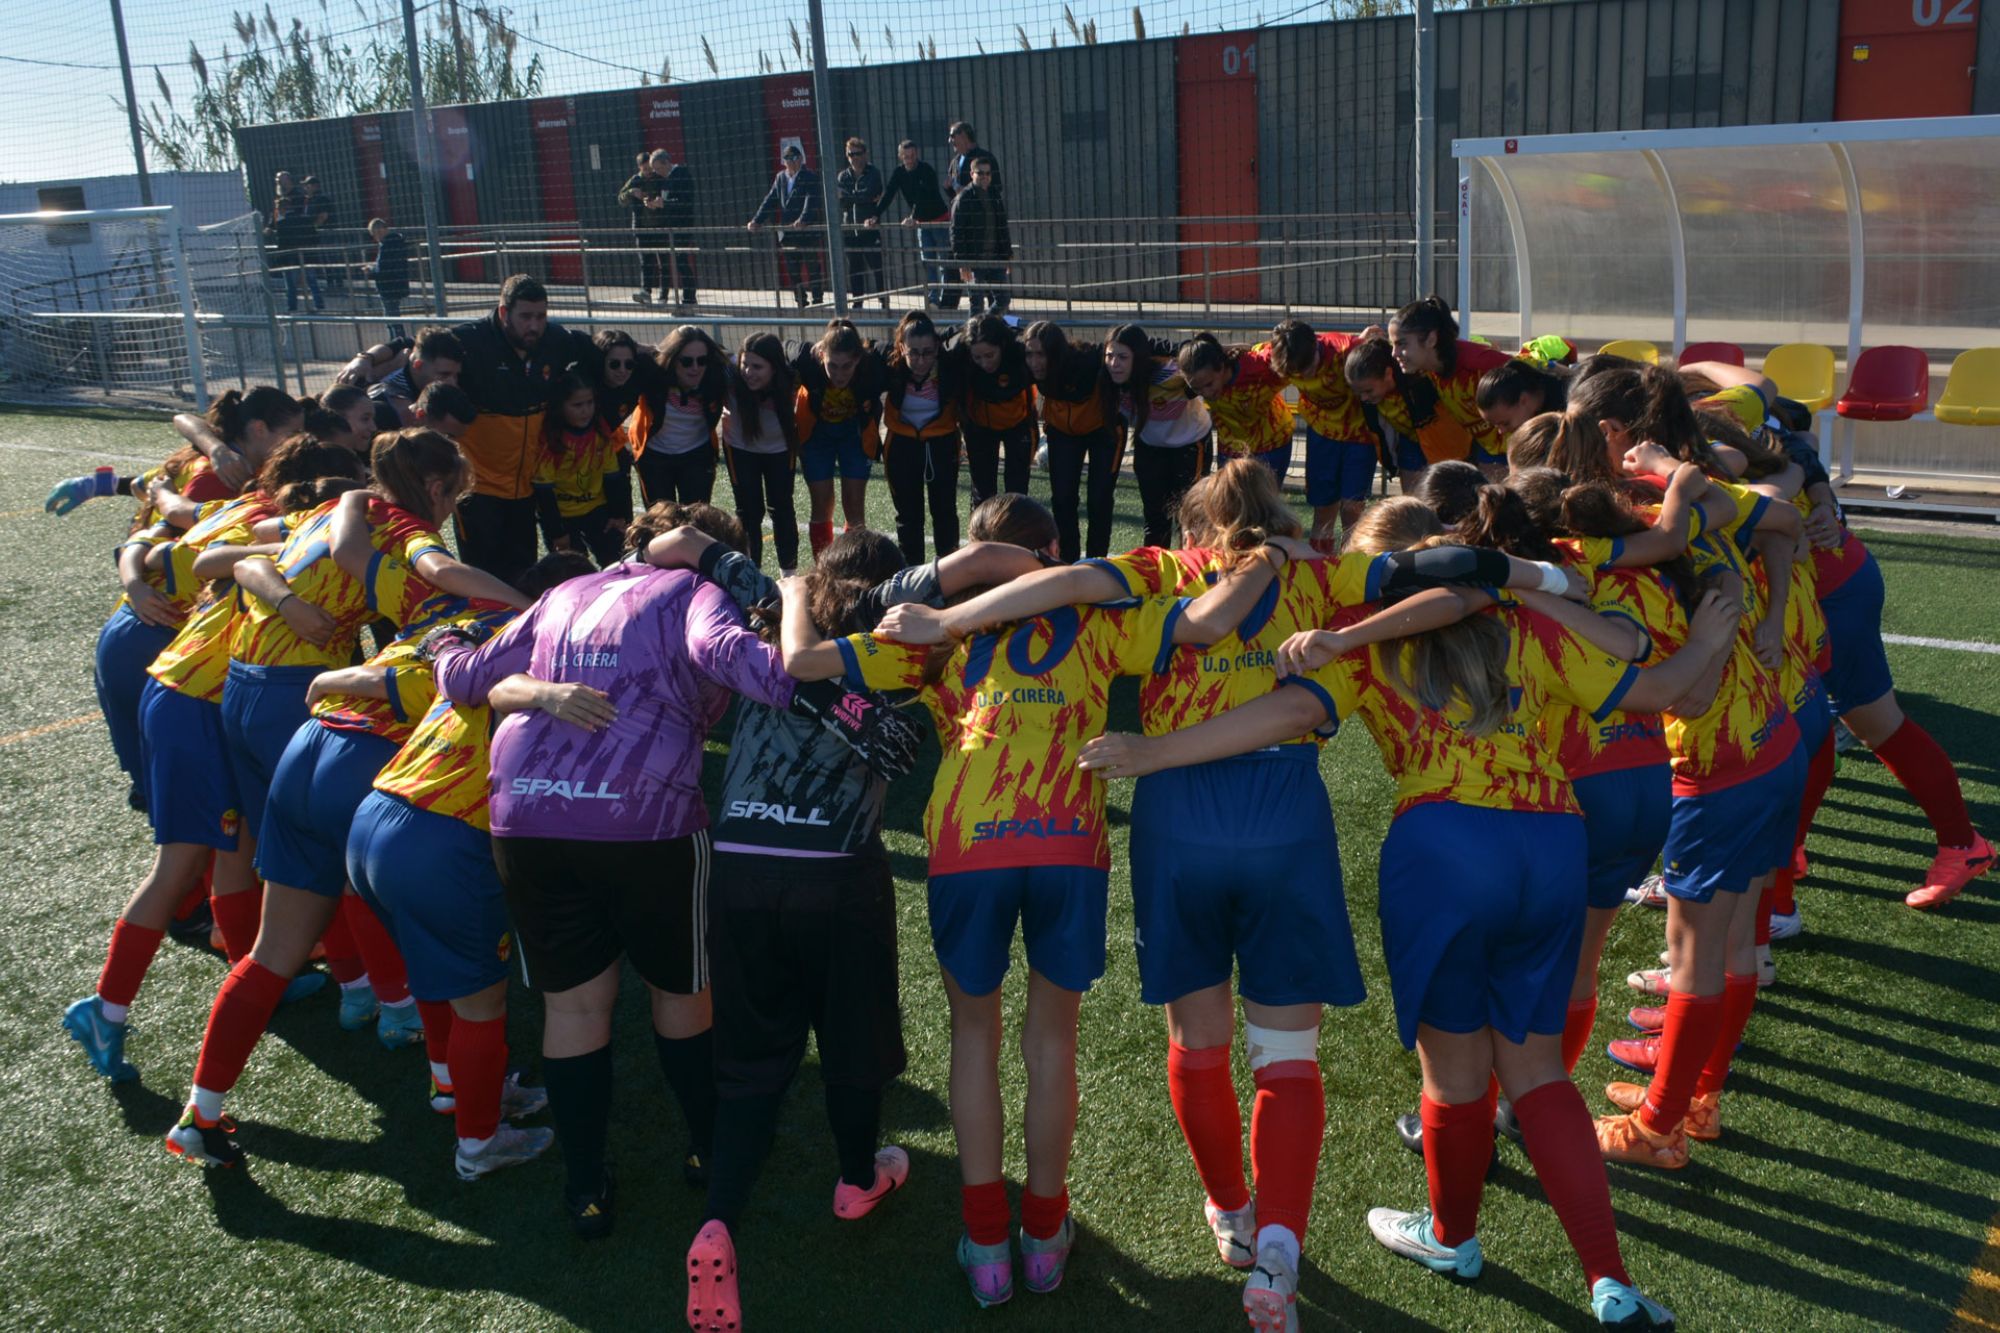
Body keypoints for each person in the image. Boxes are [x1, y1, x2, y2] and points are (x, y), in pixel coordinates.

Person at [1077, 497, 1724, 1332]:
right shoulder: (1528, 622)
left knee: (1453, 1077)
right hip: (1554, 844)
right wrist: (1708, 637)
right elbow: (1669, 688)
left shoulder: (1369, 635)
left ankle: (1452, 1237)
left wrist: (1154, 750)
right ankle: (1610, 1280)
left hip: (1444, 851)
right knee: (1538, 1074)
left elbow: (1290, 712)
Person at [784, 492, 1275, 1311]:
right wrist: (1266, 554)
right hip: (1066, 845)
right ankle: (1043, 1235)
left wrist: (797, 593)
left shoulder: (935, 628)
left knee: (973, 1035)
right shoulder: (1100, 621)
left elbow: (801, 664)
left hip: (967, 844)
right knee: (1052, 1040)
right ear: (1053, 552)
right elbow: (1206, 624)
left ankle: (986, 1242)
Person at [428, 500, 916, 1238]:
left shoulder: (566, 592)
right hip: (642, 820)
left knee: (574, 1008)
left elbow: (468, 680)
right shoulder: (697, 590)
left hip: (527, 815)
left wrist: (442, 640)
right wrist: (833, 684)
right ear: (715, 556)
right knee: (682, 993)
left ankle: (586, 1187)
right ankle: (707, 1149)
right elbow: (755, 664)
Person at [647, 522, 1017, 1333]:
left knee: (747, 1058)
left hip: (740, 857)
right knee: (852, 1040)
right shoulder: (889, 606)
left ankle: (717, 1221)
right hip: (836, 866)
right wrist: (1057, 578)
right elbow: (987, 559)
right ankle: (856, 1178)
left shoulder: (765, 601)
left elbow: (679, 538)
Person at [159, 430, 532, 1168]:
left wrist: (356, 505)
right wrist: (529, 606)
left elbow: (351, 552)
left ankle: (199, 1112)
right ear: (436, 489)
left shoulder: (383, 558)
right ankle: (462, 1100)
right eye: (455, 491)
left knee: (272, 950)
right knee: (425, 929)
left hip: (307, 745)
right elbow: (439, 567)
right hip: (365, 764)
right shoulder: (479, 606)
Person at [64, 438, 364, 1085]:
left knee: (239, 841)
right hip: (195, 697)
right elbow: (199, 554)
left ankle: (256, 969)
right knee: (179, 863)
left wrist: (137, 567)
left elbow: (167, 533)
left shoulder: (240, 512)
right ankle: (106, 1008)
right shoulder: (293, 536)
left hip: (189, 689)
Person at [348, 552, 596, 1178]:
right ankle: (480, 1143)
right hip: (443, 840)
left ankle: (455, 1089)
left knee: (438, 978)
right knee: (481, 1001)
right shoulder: (558, 664)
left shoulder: (488, 642)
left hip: (375, 817)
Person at [450, 274, 599, 581]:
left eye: (541, 316)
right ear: (504, 312)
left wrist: (644, 351)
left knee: (523, 578)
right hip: (478, 492)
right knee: (481, 581)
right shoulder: (469, 341)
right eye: (526, 316)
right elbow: (418, 352)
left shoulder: (555, 341)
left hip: (524, 491)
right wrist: (369, 358)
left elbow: (599, 348)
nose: (534, 325)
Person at [1267, 318, 1382, 548]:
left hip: (1358, 436)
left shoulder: (1345, 350)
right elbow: (1246, 354)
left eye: (1309, 369)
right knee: (1323, 509)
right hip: (1322, 435)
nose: (1306, 377)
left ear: (1316, 347)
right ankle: (1321, 567)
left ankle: (1351, 565)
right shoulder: (1280, 355)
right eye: (1297, 375)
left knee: (1352, 509)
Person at [1105, 324, 1209, 547]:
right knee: (1155, 519)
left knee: (1190, 519)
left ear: (1138, 358)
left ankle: (1189, 574)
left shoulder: (1171, 372)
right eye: (1110, 356)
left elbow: (1203, 356)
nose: (1115, 364)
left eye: (1123, 357)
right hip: (1149, 447)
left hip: (1190, 444)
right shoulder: (1105, 375)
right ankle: (1154, 574)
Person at [1025, 320, 1121, 562]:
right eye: (1030, 354)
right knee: (1063, 499)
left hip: (1102, 431)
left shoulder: (1088, 360)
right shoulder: (1024, 364)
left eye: (1041, 355)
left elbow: (1131, 346)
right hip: (1062, 432)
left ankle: (1096, 563)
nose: (1034, 362)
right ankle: (1067, 562)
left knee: (1099, 499)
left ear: (1056, 353)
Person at [1388, 296, 1516, 477]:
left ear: (1431, 339)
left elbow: (1533, 391)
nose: (1395, 353)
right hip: (1491, 447)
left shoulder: (1478, 364)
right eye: (1393, 344)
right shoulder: (1429, 368)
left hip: (1520, 444)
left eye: (1401, 344)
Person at [792, 320, 885, 558]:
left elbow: (893, 349)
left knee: (854, 507)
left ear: (858, 359)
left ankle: (852, 563)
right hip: (817, 436)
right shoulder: (807, 360)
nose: (839, 374)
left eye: (847, 366)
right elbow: (783, 348)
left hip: (854, 435)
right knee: (821, 504)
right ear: (821, 354)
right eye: (832, 365)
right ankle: (823, 567)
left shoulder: (871, 366)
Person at [880, 313, 962, 565]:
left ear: (937, 347)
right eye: (913, 352)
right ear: (901, 347)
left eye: (927, 352)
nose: (920, 360)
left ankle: (948, 571)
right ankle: (911, 572)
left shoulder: (949, 364)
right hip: (902, 445)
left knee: (945, 512)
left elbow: (965, 331)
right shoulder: (889, 366)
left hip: (941, 443)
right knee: (908, 515)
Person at [1343, 336, 1472, 492]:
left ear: (1388, 374)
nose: (1363, 398)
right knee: (1412, 499)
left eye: (1368, 391)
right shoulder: (1372, 396)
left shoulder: (1417, 381)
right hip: (1411, 441)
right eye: (1358, 393)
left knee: (1444, 496)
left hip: (1445, 441)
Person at [720, 332, 801, 574]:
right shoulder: (730, 374)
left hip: (779, 450)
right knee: (748, 512)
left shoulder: (791, 378)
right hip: (740, 449)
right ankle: (750, 573)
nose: (748, 372)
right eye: (745, 364)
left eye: (758, 367)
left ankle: (788, 574)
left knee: (782, 508)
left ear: (774, 367)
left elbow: (803, 352)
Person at [534, 371, 633, 566]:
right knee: (572, 571)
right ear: (560, 406)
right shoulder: (550, 440)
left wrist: (616, 514)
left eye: (590, 403)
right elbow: (543, 493)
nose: (585, 410)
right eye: (577, 405)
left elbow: (612, 476)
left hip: (597, 510)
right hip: (563, 517)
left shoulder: (600, 432)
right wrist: (556, 532)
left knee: (616, 561)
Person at [625, 325, 726, 506]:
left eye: (701, 360)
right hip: (654, 455)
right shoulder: (652, 372)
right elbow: (618, 346)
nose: (695, 368)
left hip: (697, 454)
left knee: (696, 518)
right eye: (686, 361)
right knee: (660, 520)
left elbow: (747, 358)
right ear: (672, 359)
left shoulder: (716, 375)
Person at [1176, 334, 1295, 476]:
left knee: (1263, 497)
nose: (1205, 393)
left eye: (1209, 384)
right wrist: (1221, 348)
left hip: (1272, 443)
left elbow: (1290, 348)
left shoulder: (1257, 367)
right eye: (1196, 389)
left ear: (1221, 367)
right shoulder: (1197, 375)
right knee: (1230, 496)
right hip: (1231, 446)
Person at [956, 314, 1034, 506]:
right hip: (979, 426)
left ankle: (1014, 535)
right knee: (983, 495)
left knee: (1017, 494)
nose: (984, 363)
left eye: (990, 355)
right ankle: (981, 536)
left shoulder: (1019, 353)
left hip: (1018, 424)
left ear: (1002, 345)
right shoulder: (960, 354)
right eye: (977, 357)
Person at [872, 140, 951, 307]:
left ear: (917, 154)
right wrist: (875, 215)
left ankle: (946, 299)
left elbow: (924, 196)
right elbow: (889, 194)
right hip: (921, 224)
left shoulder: (926, 170)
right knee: (928, 262)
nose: (910, 159)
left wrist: (912, 216)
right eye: (906, 156)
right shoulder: (899, 173)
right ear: (901, 157)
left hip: (939, 220)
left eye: (912, 155)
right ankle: (933, 298)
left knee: (944, 263)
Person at [748, 144, 825, 308]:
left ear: (801, 159)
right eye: (788, 159)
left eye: (795, 158)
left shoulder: (810, 177)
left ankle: (818, 299)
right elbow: (770, 200)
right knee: (793, 269)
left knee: (813, 266)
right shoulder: (780, 178)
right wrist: (757, 220)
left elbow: (811, 200)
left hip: (806, 232)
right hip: (788, 232)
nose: (792, 162)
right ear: (784, 162)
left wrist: (803, 219)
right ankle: (800, 300)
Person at [620, 148, 697, 308]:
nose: (656, 172)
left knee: (679, 262)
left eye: (658, 169)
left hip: (680, 226)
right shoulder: (658, 179)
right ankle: (681, 298)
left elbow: (685, 201)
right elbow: (622, 197)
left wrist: (664, 204)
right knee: (657, 261)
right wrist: (655, 204)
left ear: (666, 163)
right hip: (662, 226)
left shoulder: (680, 174)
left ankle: (687, 298)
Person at [367, 326, 465, 430]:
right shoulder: (385, 402)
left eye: (455, 375)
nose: (452, 383)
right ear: (417, 365)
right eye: (443, 374)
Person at [950, 159, 1011, 315]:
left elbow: (1002, 226)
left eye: (988, 173)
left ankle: (983, 326)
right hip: (973, 260)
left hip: (995, 258)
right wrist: (962, 263)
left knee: (1003, 299)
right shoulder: (963, 198)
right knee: (976, 304)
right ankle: (975, 335)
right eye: (980, 173)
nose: (984, 176)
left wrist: (1007, 255)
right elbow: (956, 232)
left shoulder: (994, 194)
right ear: (972, 174)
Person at [836, 138, 887, 307]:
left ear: (865, 154)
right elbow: (841, 200)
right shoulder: (843, 176)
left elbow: (870, 193)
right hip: (850, 230)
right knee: (854, 268)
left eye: (857, 153)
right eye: (851, 154)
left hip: (869, 229)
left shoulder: (873, 173)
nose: (854, 157)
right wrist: (861, 198)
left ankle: (883, 300)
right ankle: (857, 302)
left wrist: (851, 197)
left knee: (876, 267)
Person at [267, 173, 321, 313]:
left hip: (291, 249)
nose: (279, 183)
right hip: (303, 247)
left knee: (292, 281)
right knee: (309, 278)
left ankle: (293, 307)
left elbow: (282, 236)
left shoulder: (295, 198)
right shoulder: (298, 211)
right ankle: (317, 304)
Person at [360, 218, 411, 330]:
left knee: (392, 320)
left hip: (388, 287)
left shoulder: (386, 246)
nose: (375, 237)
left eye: (375, 233)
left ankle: (396, 344)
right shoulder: (396, 243)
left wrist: (370, 272)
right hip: (396, 284)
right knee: (393, 319)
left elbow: (383, 269)